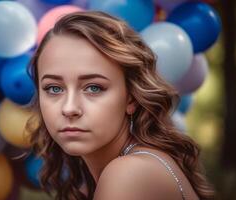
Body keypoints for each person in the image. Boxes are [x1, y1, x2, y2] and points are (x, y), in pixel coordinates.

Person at [25, 11, 214, 200]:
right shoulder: (119, 172)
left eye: (93, 87)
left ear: (131, 98)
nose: (69, 108)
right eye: (54, 89)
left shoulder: (129, 175)